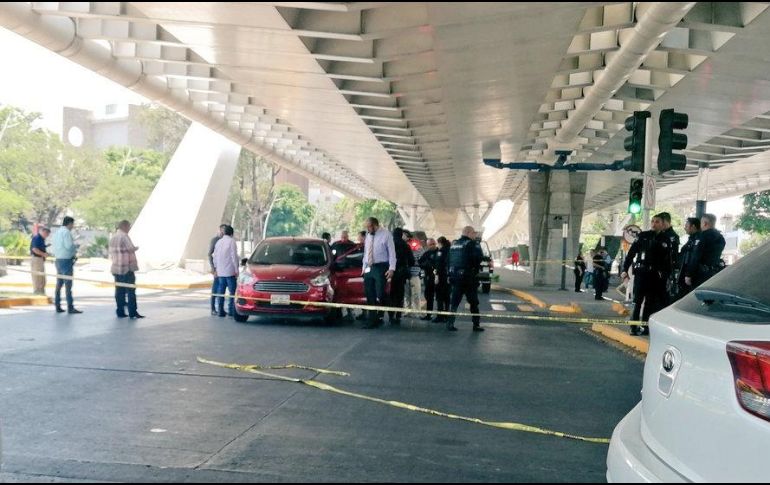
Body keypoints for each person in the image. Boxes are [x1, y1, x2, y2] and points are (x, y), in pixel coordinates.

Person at [622, 214, 670, 336]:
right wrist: (624, 269)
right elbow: (631, 253)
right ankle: (633, 327)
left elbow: (667, 259)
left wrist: (665, 275)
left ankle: (645, 326)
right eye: (652, 221)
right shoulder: (643, 236)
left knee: (650, 302)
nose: (654, 224)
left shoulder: (665, 238)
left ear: (662, 224)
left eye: (657, 222)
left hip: (654, 275)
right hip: (641, 273)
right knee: (637, 301)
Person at [446, 226, 484, 332]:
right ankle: (476, 325)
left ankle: (450, 323)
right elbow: (478, 258)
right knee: (473, 302)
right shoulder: (472, 244)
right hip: (468, 278)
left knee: (454, 302)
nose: (475, 235)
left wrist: (450, 275)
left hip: (455, 277)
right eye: (473, 233)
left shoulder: (454, 245)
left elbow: (448, 261)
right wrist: (475, 270)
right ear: (468, 233)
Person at [362, 217, 396, 328]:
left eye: (369, 227)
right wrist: (364, 266)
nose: (367, 229)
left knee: (381, 293)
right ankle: (372, 320)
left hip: (381, 266)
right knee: (369, 294)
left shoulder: (386, 235)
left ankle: (391, 311)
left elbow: (392, 253)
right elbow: (366, 252)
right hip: (369, 267)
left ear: (375, 225)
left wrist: (392, 268)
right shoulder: (368, 235)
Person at [109, 220, 143, 319]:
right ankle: (133, 312)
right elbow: (130, 248)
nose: (129, 229)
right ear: (124, 226)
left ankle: (120, 311)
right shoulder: (124, 236)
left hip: (116, 268)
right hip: (126, 268)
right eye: (129, 226)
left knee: (119, 291)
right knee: (131, 291)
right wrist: (136, 248)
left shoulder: (113, 237)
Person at [52, 216, 82, 314]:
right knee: (68, 285)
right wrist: (75, 247)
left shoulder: (56, 232)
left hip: (58, 260)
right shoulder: (66, 232)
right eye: (72, 224)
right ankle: (70, 307)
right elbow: (69, 246)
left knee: (59, 284)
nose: (72, 226)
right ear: (69, 223)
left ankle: (57, 305)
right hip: (66, 260)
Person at [689, 213, 726, 288]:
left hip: (700, 274)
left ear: (705, 223)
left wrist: (689, 274)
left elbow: (696, 257)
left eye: (701, 223)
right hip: (714, 272)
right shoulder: (721, 238)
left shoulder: (702, 237)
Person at [212, 225, 239, 318]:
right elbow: (234, 257)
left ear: (224, 233)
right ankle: (231, 310)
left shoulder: (218, 242)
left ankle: (220, 311)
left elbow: (214, 257)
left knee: (220, 292)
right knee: (232, 293)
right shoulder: (232, 241)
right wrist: (236, 270)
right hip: (230, 271)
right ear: (232, 233)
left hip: (220, 272)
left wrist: (216, 268)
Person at [389, 228, 414, 325]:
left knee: (391, 295)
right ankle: (398, 316)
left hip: (390, 273)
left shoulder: (390, 244)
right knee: (400, 295)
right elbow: (411, 260)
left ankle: (391, 316)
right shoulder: (405, 245)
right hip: (402, 273)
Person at [657, 212, 680, 304]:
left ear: (666, 222)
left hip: (666, 270)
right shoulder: (659, 234)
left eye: (659, 222)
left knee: (664, 295)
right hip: (658, 269)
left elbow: (672, 255)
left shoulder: (672, 236)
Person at [677, 217, 701, 298]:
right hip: (685, 274)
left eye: (687, 226)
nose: (685, 228)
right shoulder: (691, 239)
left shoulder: (697, 239)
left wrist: (688, 274)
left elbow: (693, 258)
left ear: (693, 227)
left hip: (691, 276)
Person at [418, 238, 438, 320]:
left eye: (433, 244)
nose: (432, 246)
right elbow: (420, 262)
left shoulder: (439, 252)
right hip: (428, 276)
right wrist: (426, 265)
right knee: (428, 296)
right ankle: (429, 314)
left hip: (438, 276)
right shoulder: (427, 253)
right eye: (430, 244)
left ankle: (442, 315)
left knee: (440, 296)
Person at [208, 224, 226, 315]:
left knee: (221, 289)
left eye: (224, 230)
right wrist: (213, 268)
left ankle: (220, 309)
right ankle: (212, 308)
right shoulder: (215, 240)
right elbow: (209, 254)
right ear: (219, 230)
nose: (223, 232)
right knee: (215, 288)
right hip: (216, 268)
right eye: (221, 230)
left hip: (223, 268)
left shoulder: (225, 240)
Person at [434, 236, 451, 323]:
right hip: (448, 277)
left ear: (440, 243)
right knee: (447, 297)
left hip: (441, 277)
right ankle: (446, 316)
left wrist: (437, 276)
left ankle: (439, 316)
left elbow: (438, 265)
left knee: (439, 297)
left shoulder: (440, 252)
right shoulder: (450, 250)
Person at [29, 226, 50, 295]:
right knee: (37, 277)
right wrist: (43, 254)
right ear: (43, 232)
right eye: (47, 234)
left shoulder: (41, 239)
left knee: (42, 277)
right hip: (36, 259)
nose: (47, 236)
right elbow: (34, 249)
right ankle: (37, 291)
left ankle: (41, 291)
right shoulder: (37, 238)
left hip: (40, 259)